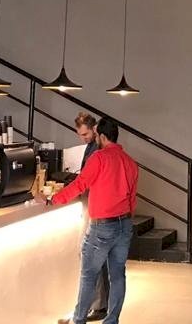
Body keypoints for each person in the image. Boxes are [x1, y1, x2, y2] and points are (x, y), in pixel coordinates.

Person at [48, 119, 139, 324]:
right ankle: (111, 320)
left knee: (89, 274)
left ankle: (79, 319)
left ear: (103, 137)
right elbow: (132, 200)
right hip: (124, 225)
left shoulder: (98, 158)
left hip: (102, 226)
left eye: (96, 135)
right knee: (118, 275)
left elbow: (80, 184)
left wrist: (53, 199)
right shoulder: (130, 162)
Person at [73, 112, 109, 320]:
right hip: (94, 204)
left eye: (85, 134)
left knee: (90, 254)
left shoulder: (97, 149)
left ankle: (97, 305)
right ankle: (98, 303)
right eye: (80, 135)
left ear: (94, 129)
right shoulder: (92, 146)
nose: (83, 138)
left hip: (96, 206)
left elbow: (90, 178)